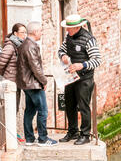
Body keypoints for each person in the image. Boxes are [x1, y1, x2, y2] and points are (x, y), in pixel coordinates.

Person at [58, 14, 101, 145]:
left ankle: (85, 134)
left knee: (83, 106)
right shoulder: (68, 37)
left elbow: (97, 60)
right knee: (69, 105)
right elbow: (61, 50)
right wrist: (63, 55)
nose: (67, 30)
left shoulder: (89, 40)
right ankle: (72, 131)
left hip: (85, 79)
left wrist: (82, 65)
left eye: (69, 28)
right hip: (71, 77)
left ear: (77, 28)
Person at [17, 21, 57, 146]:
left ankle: (29, 139)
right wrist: (44, 81)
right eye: (40, 31)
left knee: (30, 111)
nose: (41, 33)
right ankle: (43, 139)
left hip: (26, 84)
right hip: (33, 84)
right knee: (43, 111)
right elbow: (36, 67)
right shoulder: (30, 46)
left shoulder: (25, 44)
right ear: (35, 32)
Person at [0, 23, 27, 111]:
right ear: (15, 33)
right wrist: (8, 74)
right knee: (10, 110)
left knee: (15, 109)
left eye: (25, 32)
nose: (24, 35)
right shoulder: (10, 46)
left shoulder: (19, 45)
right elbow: (1, 63)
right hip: (10, 82)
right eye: (22, 32)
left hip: (16, 82)